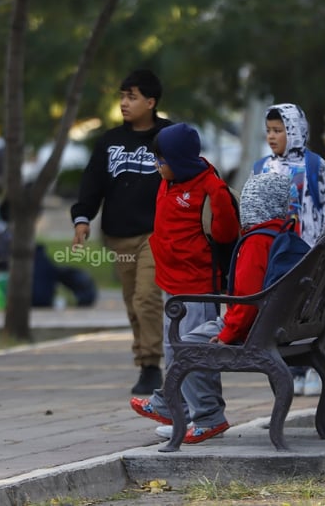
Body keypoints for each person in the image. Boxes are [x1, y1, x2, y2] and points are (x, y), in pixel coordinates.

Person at [131, 171, 292, 443]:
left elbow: (248, 300)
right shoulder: (284, 233)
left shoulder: (256, 243)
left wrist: (227, 335)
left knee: (187, 346)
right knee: (195, 337)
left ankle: (208, 417)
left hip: (254, 328)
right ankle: (165, 402)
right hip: (278, 322)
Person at [129, 122, 240, 432]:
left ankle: (205, 414)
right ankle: (180, 412)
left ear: (178, 160)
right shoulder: (171, 179)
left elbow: (225, 232)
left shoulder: (210, 188)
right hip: (172, 283)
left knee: (194, 353)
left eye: (161, 161)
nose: (156, 166)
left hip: (197, 287)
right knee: (173, 347)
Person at [71, 69, 172, 395]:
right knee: (132, 302)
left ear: (151, 101)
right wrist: (83, 218)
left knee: (146, 297)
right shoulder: (110, 141)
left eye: (132, 97)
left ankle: (151, 364)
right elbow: (92, 183)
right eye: (122, 96)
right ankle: (146, 360)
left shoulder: (169, 137)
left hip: (156, 234)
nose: (124, 103)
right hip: (119, 235)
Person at [253, 102, 325, 396]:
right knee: (279, 312)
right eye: (268, 130)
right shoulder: (262, 168)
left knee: (307, 312)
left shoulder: (316, 167)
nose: (271, 136)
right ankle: (290, 369)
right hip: (275, 257)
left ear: (295, 131)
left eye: (278, 130)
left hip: (308, 253)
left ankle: (312, 367)